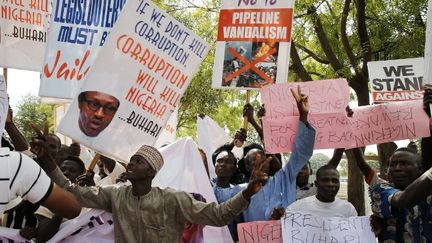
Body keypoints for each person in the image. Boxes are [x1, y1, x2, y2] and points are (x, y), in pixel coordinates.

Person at [32, 131, 269, 242]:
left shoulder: (174, 199)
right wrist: (46, 160)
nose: (132, 163)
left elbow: (218, 216)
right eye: (132, 159)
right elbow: (72, 191)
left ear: (152, 172)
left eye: (139, 161)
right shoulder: (115, 195)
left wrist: (249, 190)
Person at [216, 86, 316, 222]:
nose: (261, 165)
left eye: (264, 161)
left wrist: (303, 116)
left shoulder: (284, 179)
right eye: (254, 163)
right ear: (247, 166)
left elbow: (301, 153)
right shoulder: (238, 192)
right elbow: (217, 201)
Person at [287, 165, 357, 217]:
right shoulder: (298, 207)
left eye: (335, 181)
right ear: (316, 184)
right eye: (325, 180)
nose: (331, 184)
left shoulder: (348, 209)